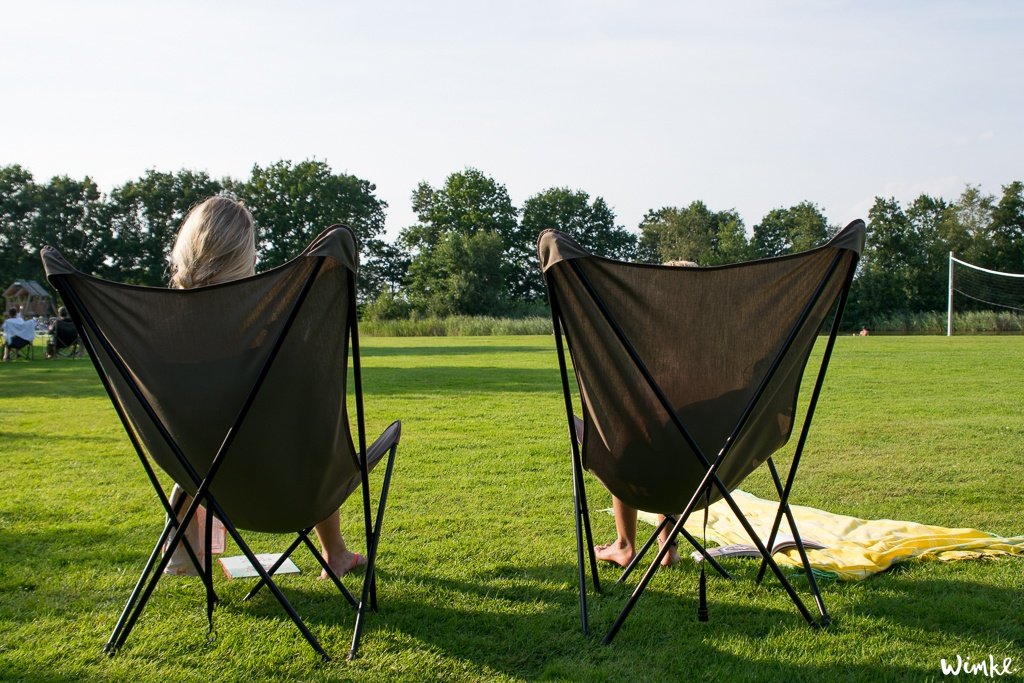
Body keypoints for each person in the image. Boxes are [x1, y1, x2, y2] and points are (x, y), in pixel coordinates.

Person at [164, 195, 367, 579]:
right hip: (286, 488)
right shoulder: (271, 327)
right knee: (311, 434)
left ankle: (186, 544)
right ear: (245, 255)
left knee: (207, 443)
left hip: (202, 481)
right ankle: (335, 553)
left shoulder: (157, 333)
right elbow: (314, 422)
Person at [593, 258, 699, 569]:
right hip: (711, 466)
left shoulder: (644, 342)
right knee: (676, 446)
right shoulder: (720, 348)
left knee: (621, 443)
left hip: (646, 461)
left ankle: (625, 546)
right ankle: (669, 545)